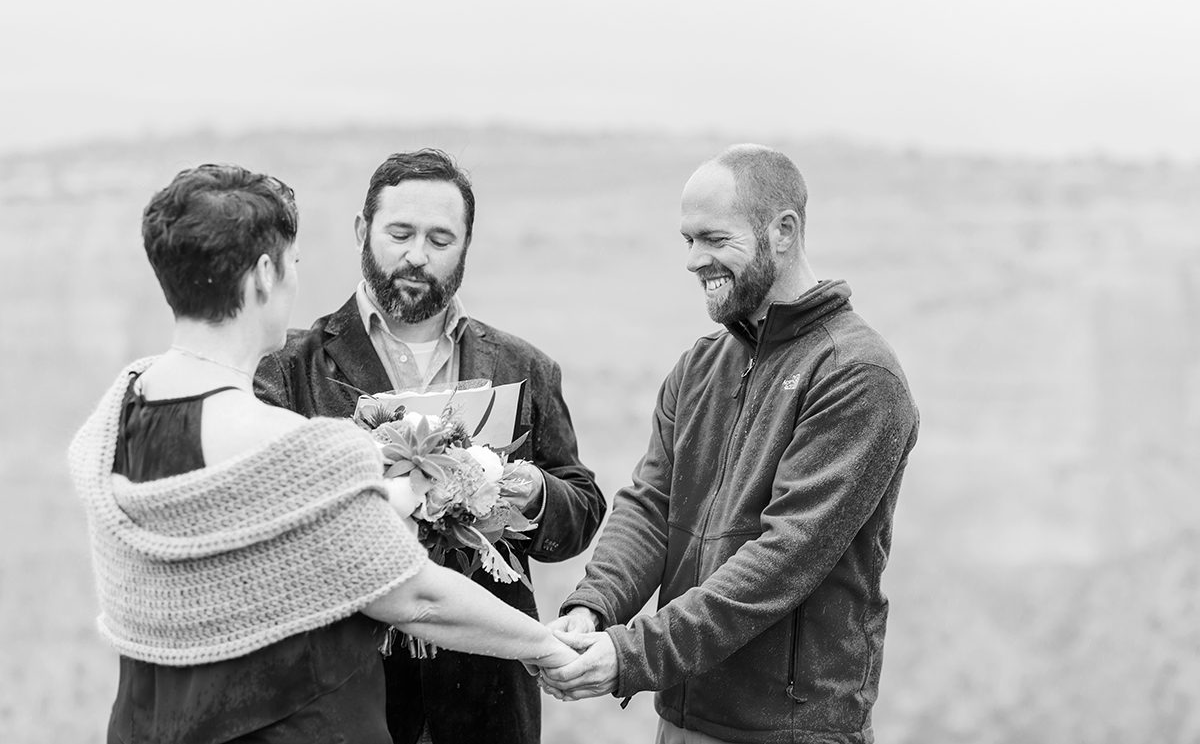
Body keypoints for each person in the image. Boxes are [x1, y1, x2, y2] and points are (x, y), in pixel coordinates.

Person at [67, 164, 578, 744]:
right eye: (293, 266)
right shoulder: (294, 445)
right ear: (265, 274)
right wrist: (547, 644)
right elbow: (412, 594)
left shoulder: (118, 411)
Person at [541, 145, 920, 744]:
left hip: (789, 731)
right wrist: (593, 608)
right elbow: (649, 510)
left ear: (783, 232)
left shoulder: (857, 375)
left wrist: (628, 655)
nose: (695, 260)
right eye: (687, 240)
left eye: (714, 239)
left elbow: (781, 560)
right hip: (683, 720)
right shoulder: (700, 365)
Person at [254, 149, 606, 744]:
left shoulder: (525, 366)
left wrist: (531, 492)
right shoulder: (288, 369)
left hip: (490, 700)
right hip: (341, 699)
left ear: (466, 246)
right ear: (363, 232)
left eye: (441, 239)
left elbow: (581, 511)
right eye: (400, 233)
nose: (417, 255)